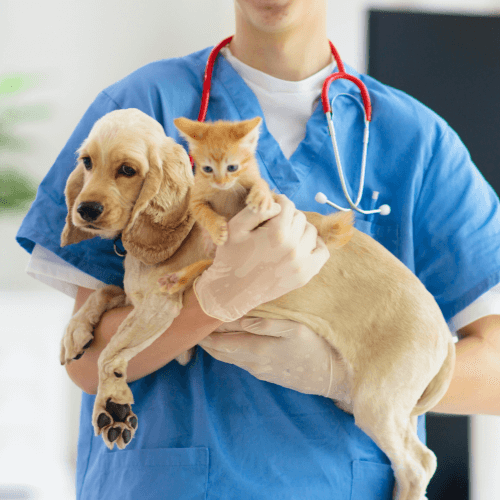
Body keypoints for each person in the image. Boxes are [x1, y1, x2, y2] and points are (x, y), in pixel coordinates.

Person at [16, 1, 500, 498]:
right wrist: (211, 303)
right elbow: (84, 362)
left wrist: (348, 379)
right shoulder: (144, 110)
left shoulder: (414, 141)